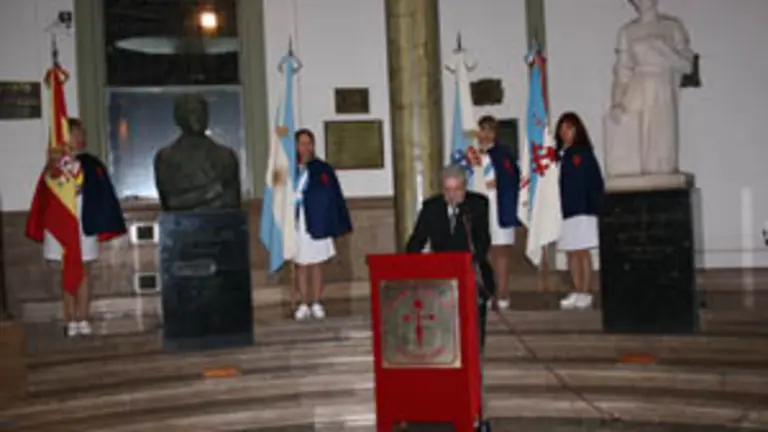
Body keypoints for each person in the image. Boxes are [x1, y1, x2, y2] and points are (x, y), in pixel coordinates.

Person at [26, 118, 127, 337]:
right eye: (76, 133)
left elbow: (101, 194)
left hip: (84, 224)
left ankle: (83, 316)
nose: (81, 138)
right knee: (67, 271)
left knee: (84, 271)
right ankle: (69, 318)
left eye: (83, 133)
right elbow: (46, 192)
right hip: (62, 225)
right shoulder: (54, 165)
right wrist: (54, 164)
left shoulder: (91, 163)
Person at [405, 165, 494, 348]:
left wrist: (469, 259)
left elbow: (482, 241)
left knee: (473, 314)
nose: (452, 195)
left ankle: (475, 349)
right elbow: (416, 241)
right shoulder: (431, 207)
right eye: (447, 190)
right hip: (441, 271)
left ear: (465, 187)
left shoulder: (477, 205)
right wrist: (412, 264)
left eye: (456, 189)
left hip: (471, 271)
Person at [453, 115, 519, 310]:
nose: (485, 134)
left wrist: (501, 183)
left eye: (490, 130)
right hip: (479, 209)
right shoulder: (471, 155)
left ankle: (503, 292)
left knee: (501, 252)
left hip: (499, 207)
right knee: (483, 251)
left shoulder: (503, 154)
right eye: (482, 130)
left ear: (495, 134)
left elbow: (513, 177)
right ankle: (487, 291)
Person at [292, 128, 352, 321]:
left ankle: (317, 302)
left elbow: (332, 196)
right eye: (301, 143)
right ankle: (303, 303)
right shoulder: (289, 169)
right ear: (295, 146)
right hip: (297, 221)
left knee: (317, 264)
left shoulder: (322, 168)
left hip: (318, 221)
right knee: (301, 264)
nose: (305, 147)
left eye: (309, 143)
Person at [555, 112, 604, 310]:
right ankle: (576, 289)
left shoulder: (583, 153)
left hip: (582, 209)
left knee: (582, 252)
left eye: (569, 128)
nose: (565, 132)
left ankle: (586, 291)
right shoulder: (559, 156)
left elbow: (594, 182)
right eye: (562, 128)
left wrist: (595, 207)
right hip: (564, 211)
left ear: (577, 130)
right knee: (571, 253)